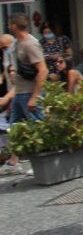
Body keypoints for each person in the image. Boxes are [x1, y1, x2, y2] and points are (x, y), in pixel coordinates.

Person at [0, 13, 47, 175]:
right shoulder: (17, 44)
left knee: (39, 128)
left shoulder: (30, 44)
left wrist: (35, 97)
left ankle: (43, 163)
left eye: (8, 24)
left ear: (13, 25)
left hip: (29, 93)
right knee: (14, 130)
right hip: (20, 93)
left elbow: (43, 70)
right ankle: (14, 162)